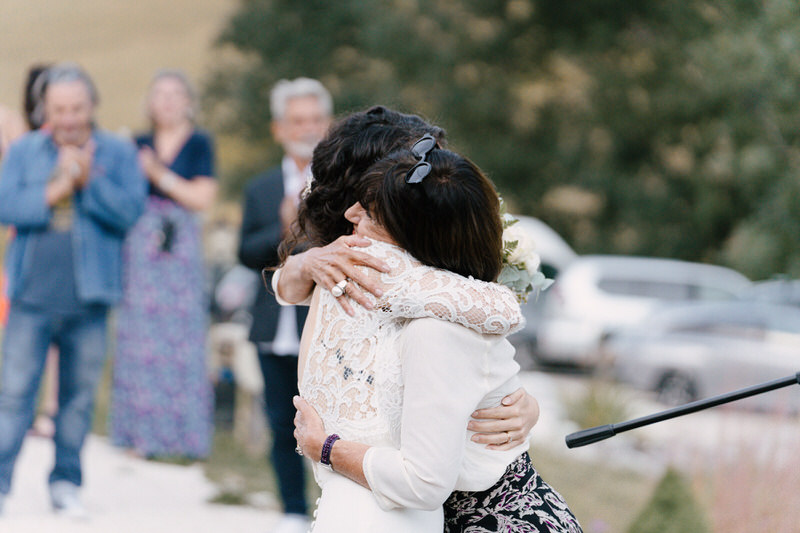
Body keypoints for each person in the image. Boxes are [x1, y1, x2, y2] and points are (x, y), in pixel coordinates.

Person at [290, 126, 582, 532]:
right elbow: (288, 283)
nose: (349, 217)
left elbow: (424, 480)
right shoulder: (363, 281)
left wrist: (326, 449)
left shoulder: (437, 323)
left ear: (410, 236)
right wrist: (303, 265)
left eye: (369, 211)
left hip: (490, 521)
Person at [0, 63, 146, 517]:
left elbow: (130, 212)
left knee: (77, 402)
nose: (68, 118)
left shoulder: (118, 154)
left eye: (76, 108)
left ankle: (66, 484)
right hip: (30, 295)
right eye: (60, 109)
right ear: (47, 108)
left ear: (91, 106)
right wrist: (55, 188)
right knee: (12, 396)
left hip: (91, 298)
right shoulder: (25, 150)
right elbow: (6, 205)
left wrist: (88, 183)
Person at [238, 77, 333, 533]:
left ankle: (333, 510)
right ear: (279, 128)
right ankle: (293, 510)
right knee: (281, 420)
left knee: (335, 421)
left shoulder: (342, 185)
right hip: (274, 324)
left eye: (315, 119)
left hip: (328, 323)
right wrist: (283, 228)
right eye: (298, 120)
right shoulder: (259, 187)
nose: (307, 128)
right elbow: (244, 252)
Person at [110, 69, 217, 459]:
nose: (168, 101)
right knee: (139, 337)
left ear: (188, 101)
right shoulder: (136, 143)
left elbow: (202, 197)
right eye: (160, 94)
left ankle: (183, 438)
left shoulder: (200, 143)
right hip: (141, 245)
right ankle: (138, 434)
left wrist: (158, 174)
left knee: (182, 338)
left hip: (181, 245)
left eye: (175, 94)